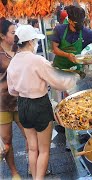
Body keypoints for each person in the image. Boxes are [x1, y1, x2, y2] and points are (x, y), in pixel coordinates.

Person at [7, 25, 80, 180]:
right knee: (44, 150)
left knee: (32, 149)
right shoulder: (38, 60)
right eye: (35, 40)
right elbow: (58, 83)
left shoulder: (13, 62)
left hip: (23, 106)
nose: (36, 43)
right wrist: (74, 78)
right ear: (31, 42)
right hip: (40, 105)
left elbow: (12, 90)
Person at [0, 18, 26, 180]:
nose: (15, 35)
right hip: (2, 104)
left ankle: (34, 165)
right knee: (7, 140)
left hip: (21, 100)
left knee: (30, 136)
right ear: (2, 36)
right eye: (12, 32)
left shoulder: (19, 48)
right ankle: (14, 173)